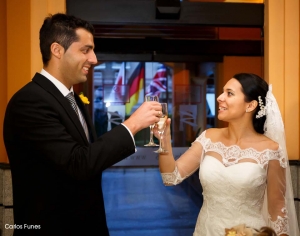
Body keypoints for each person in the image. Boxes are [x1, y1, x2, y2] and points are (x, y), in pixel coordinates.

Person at [3, 13, 162, 236]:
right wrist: (133, 124)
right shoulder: (30, 101)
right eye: (85, 50)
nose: (94, 59)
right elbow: (78, 163)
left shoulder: (74, 99)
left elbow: (90, 158)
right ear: (57, 50)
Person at [154, 73, 299, 236]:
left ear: (250, 105)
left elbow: (277, 209)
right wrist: (164, 139)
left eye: (229, 93)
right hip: (206, 231)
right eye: (223, 92)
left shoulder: (271, 150)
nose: (219, 98)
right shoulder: (208, 137)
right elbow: (170, 177)